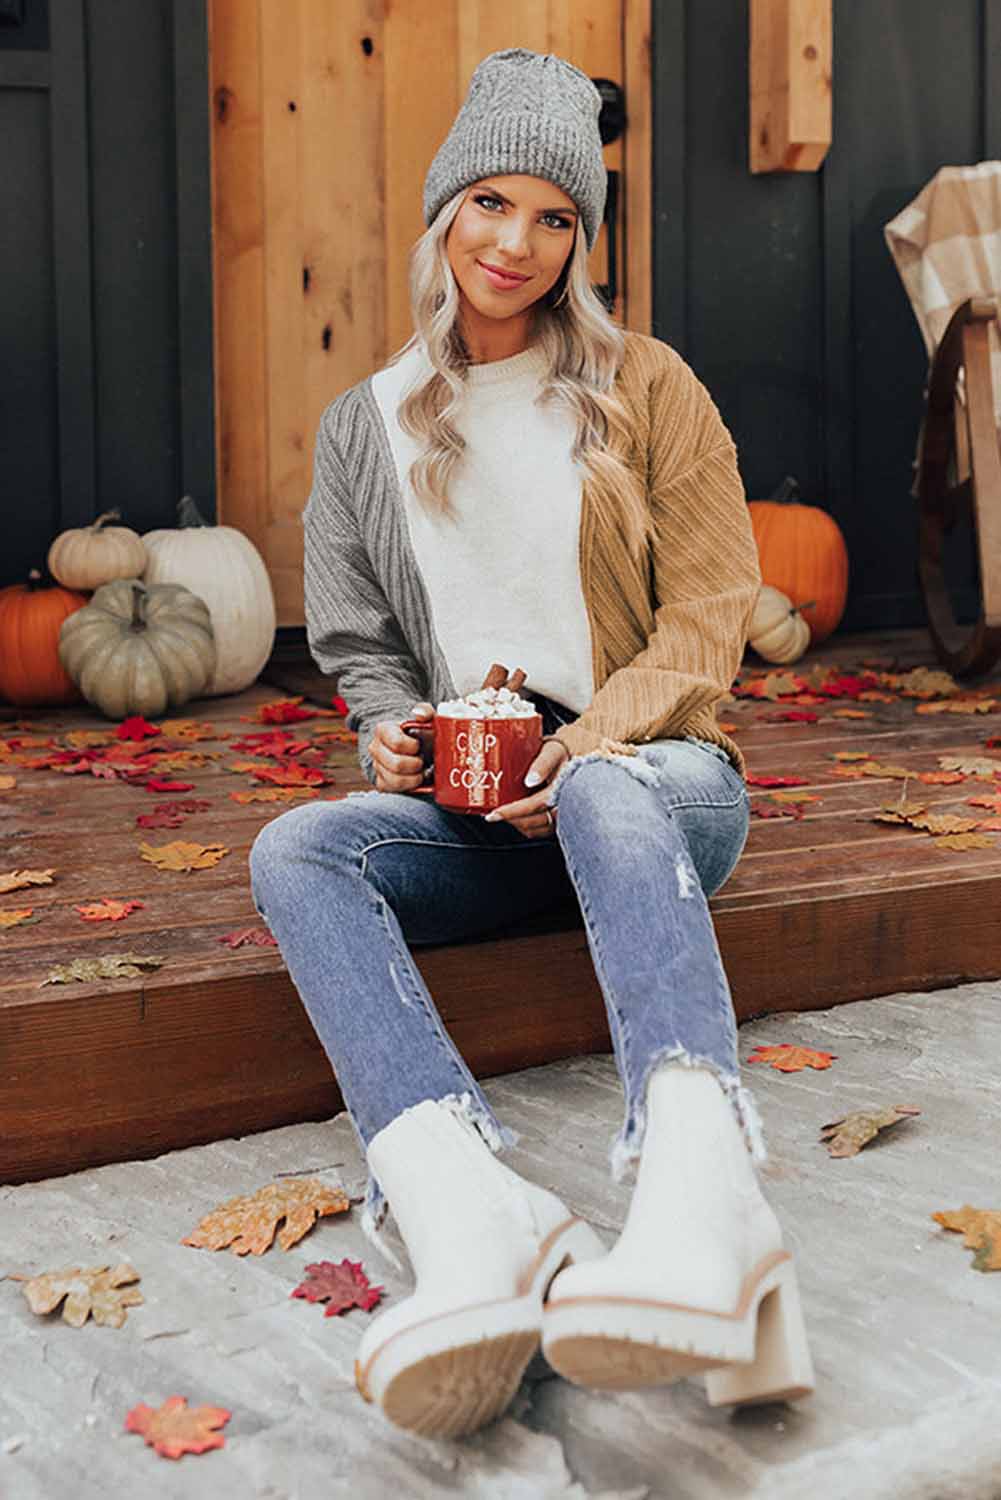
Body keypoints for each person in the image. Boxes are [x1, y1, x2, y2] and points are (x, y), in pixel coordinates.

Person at [249, 47, 815, 1441]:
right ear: (444, 212)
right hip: (483, 809)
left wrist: (595, 737)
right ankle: (470, 1210)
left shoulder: (646, 389)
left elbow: (707, 618)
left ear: (581, 239)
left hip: (657, 786)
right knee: (298, 852)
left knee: (614, 787)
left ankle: (699, 1196)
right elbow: (360, 648)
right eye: (489, 203)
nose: (515, 242)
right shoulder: (364, 429)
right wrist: (389, 735)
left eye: (554, 216)